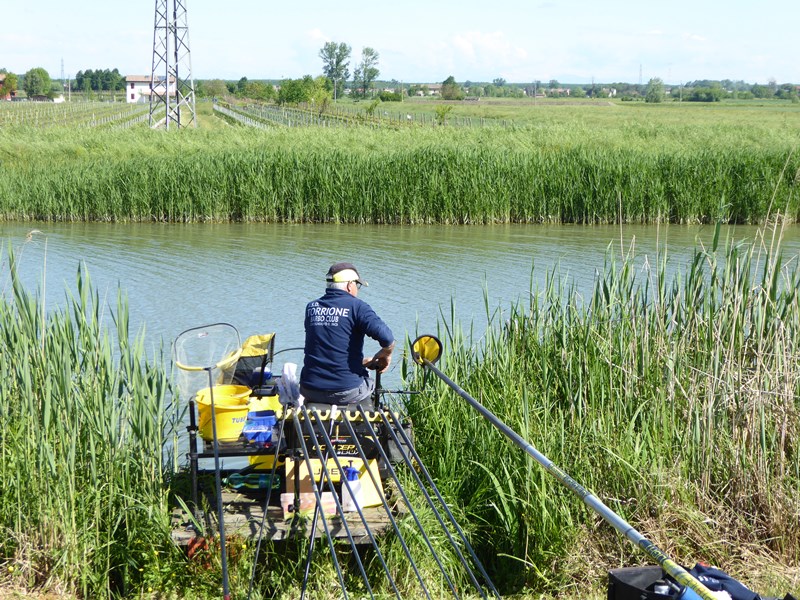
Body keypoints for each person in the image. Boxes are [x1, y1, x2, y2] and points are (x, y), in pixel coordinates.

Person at [300, 262, 394, 409]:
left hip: (310, 389)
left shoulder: (311, 307)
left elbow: (329, 349)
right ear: (350, 285)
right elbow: (387, 338)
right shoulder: (357, 307)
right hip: (346, 391)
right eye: (358, 285)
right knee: (369, 382)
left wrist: (360, 362)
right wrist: (387, 353)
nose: (358, 289)